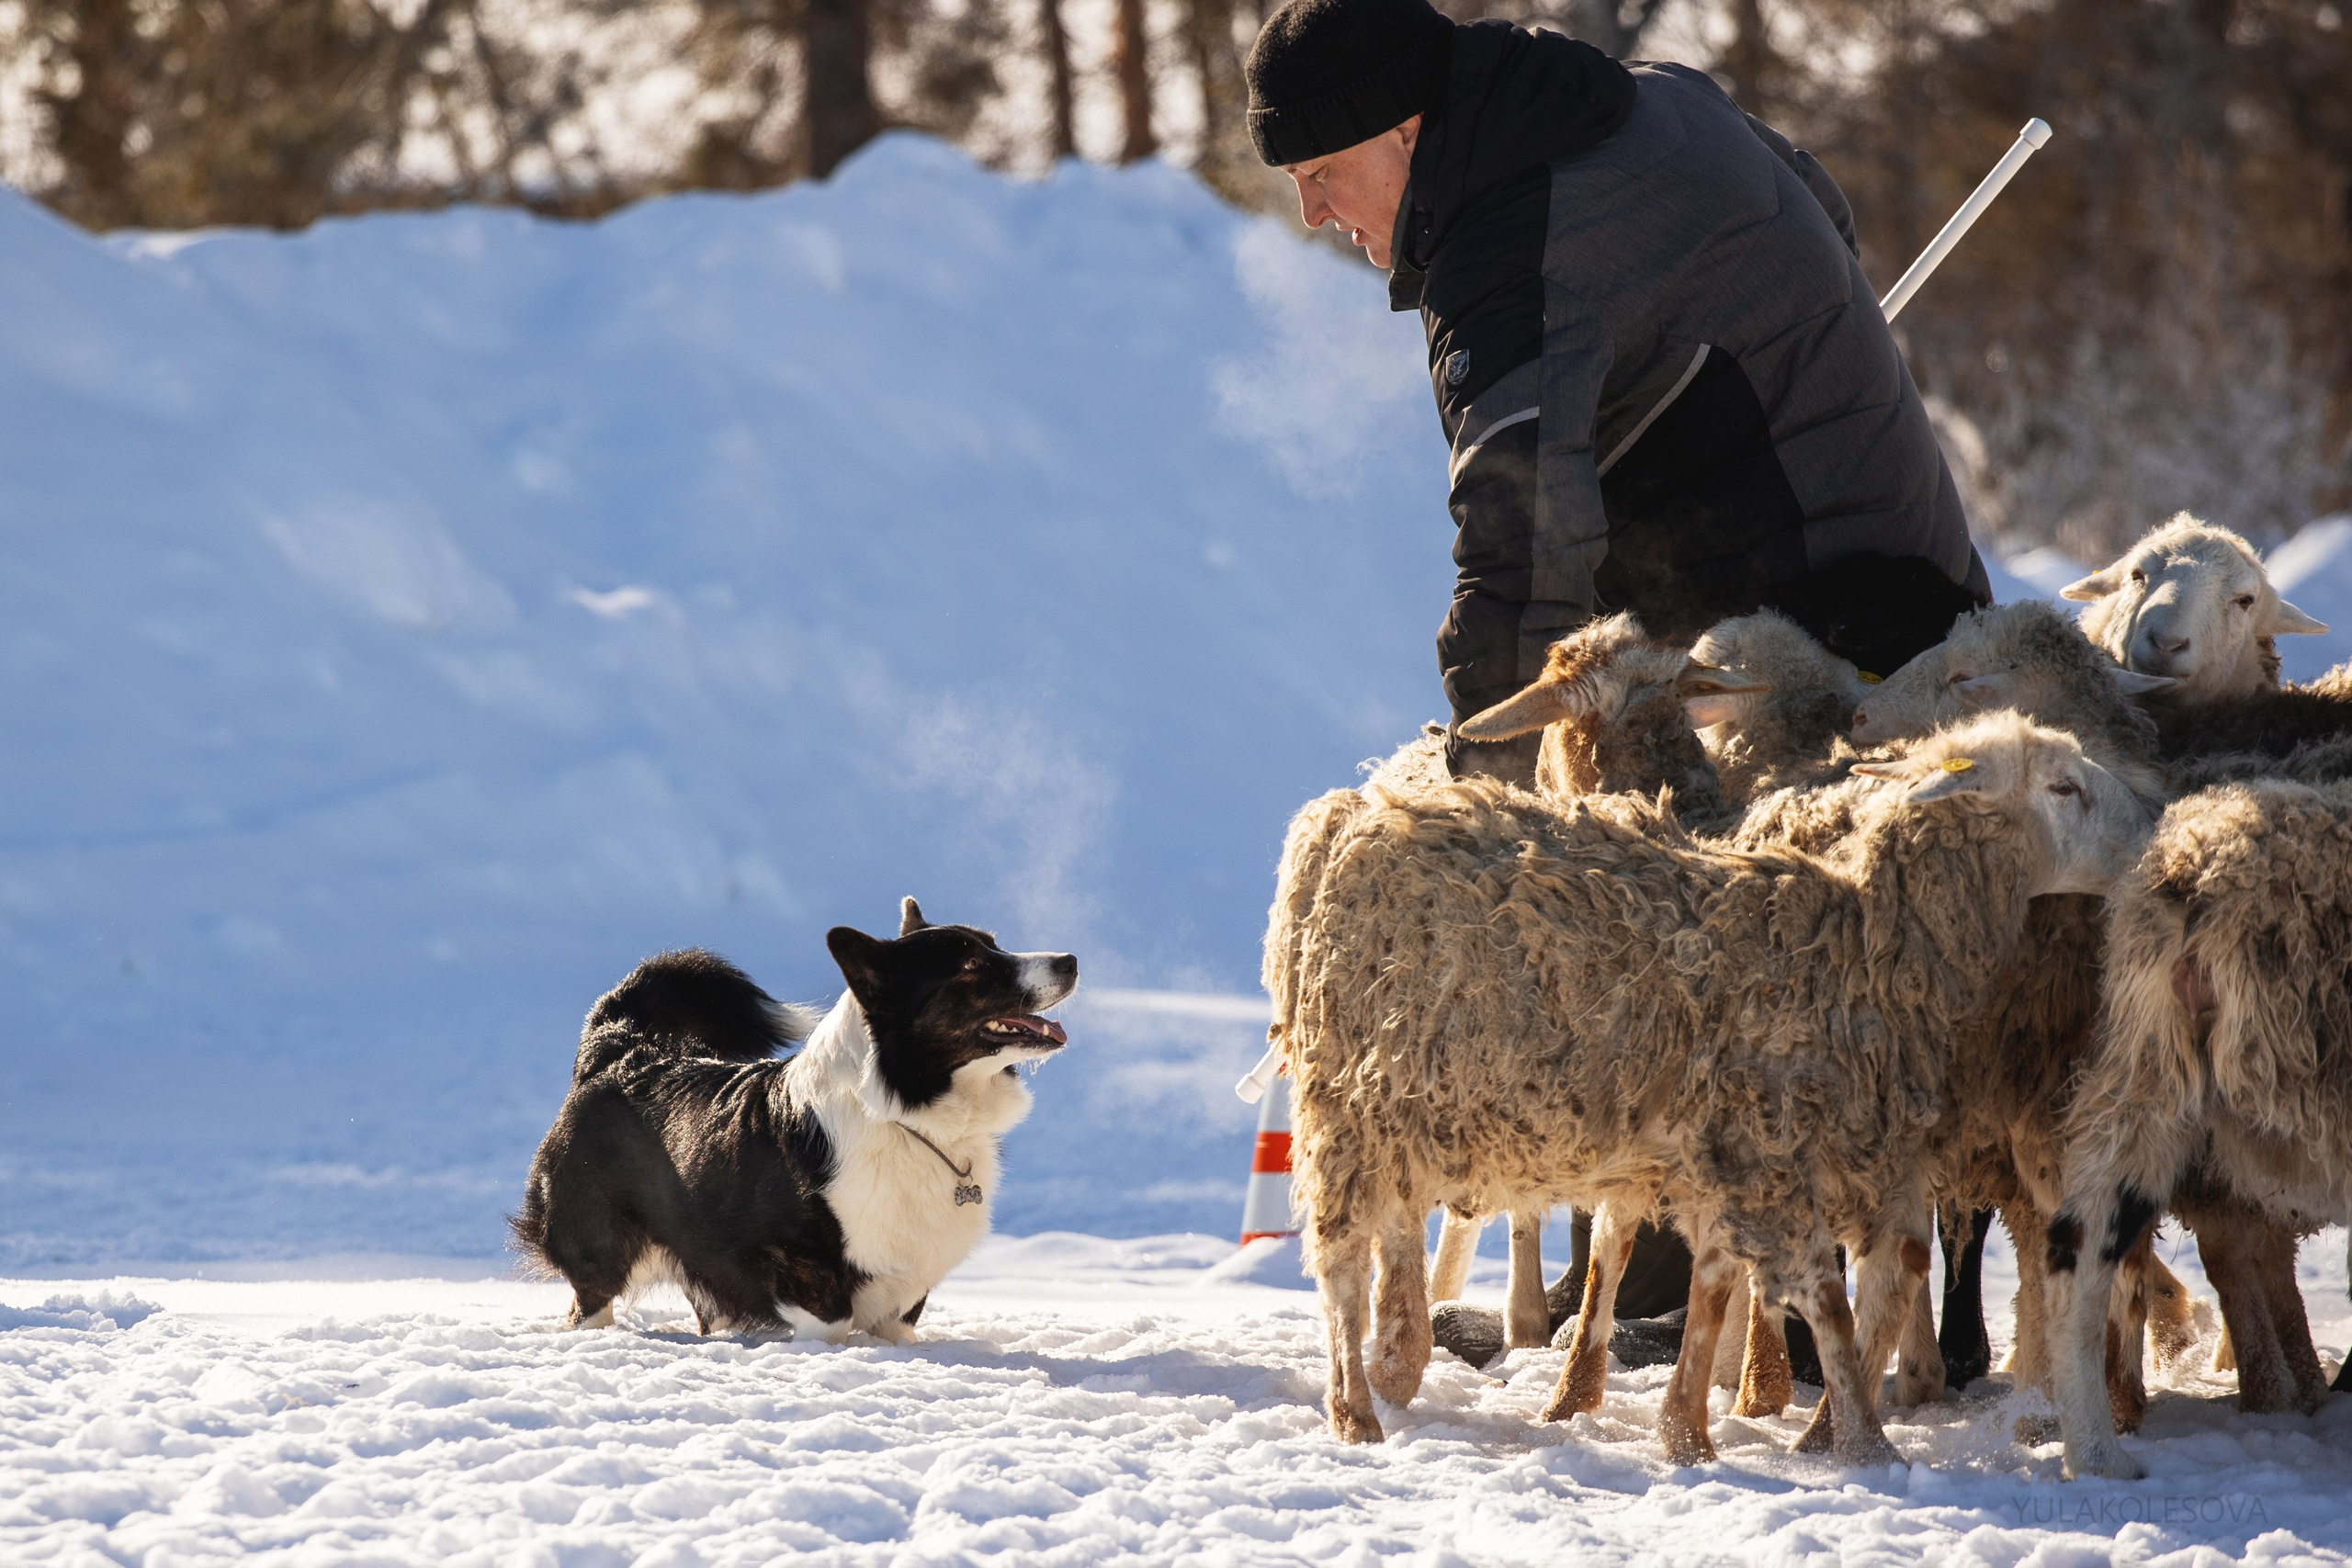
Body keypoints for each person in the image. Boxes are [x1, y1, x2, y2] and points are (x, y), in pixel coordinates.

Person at [1243, 0, 1991, 1350]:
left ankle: (1696, 1293)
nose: (1311, 213)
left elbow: (1522, 539)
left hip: (1822, 632)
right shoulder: (1649, 103)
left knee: (1668, 915)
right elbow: (1818, 204)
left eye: (1319, 175)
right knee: (1682, 911)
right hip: (1887, 568)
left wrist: (1467, 814)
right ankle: (1663, 1283)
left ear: (1404, 133)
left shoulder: (1508, 241)